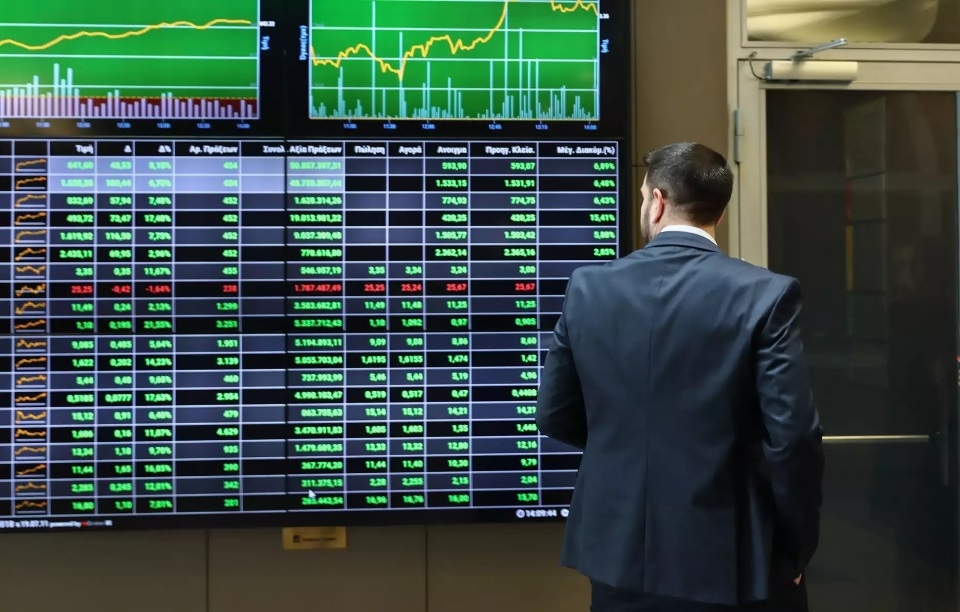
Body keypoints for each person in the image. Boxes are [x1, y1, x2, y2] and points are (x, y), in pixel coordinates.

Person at [535, 142, 824, 611]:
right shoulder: (766, 294)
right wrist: (797, 548)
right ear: (720, 212)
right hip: (734, 557)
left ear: (657, 201)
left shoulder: (588, 286)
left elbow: (554, 414)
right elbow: (793, 438)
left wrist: (626, 445)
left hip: (618, 554)